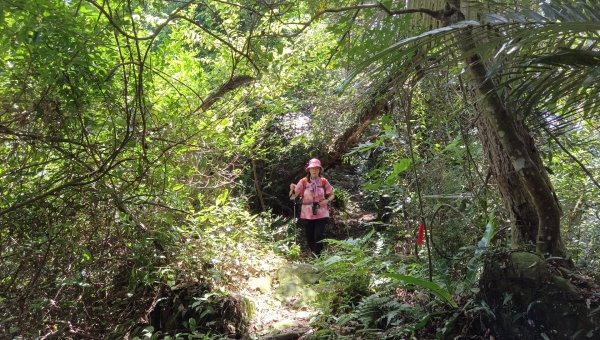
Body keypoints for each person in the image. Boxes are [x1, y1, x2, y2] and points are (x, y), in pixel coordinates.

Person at [289, 158, 334, 256]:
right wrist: (292, 189)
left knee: (318, 235)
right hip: (307, 213)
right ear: (309, 169)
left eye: (316, 168)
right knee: (310, 237)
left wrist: (326, 200)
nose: (314, 170)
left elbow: (332, 194)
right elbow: (293, 196)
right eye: (312, 168)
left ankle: (318, 256)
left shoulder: (323, 181)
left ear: (319, 169)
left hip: (321, 212)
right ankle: (314, 253)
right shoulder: (303, 182)